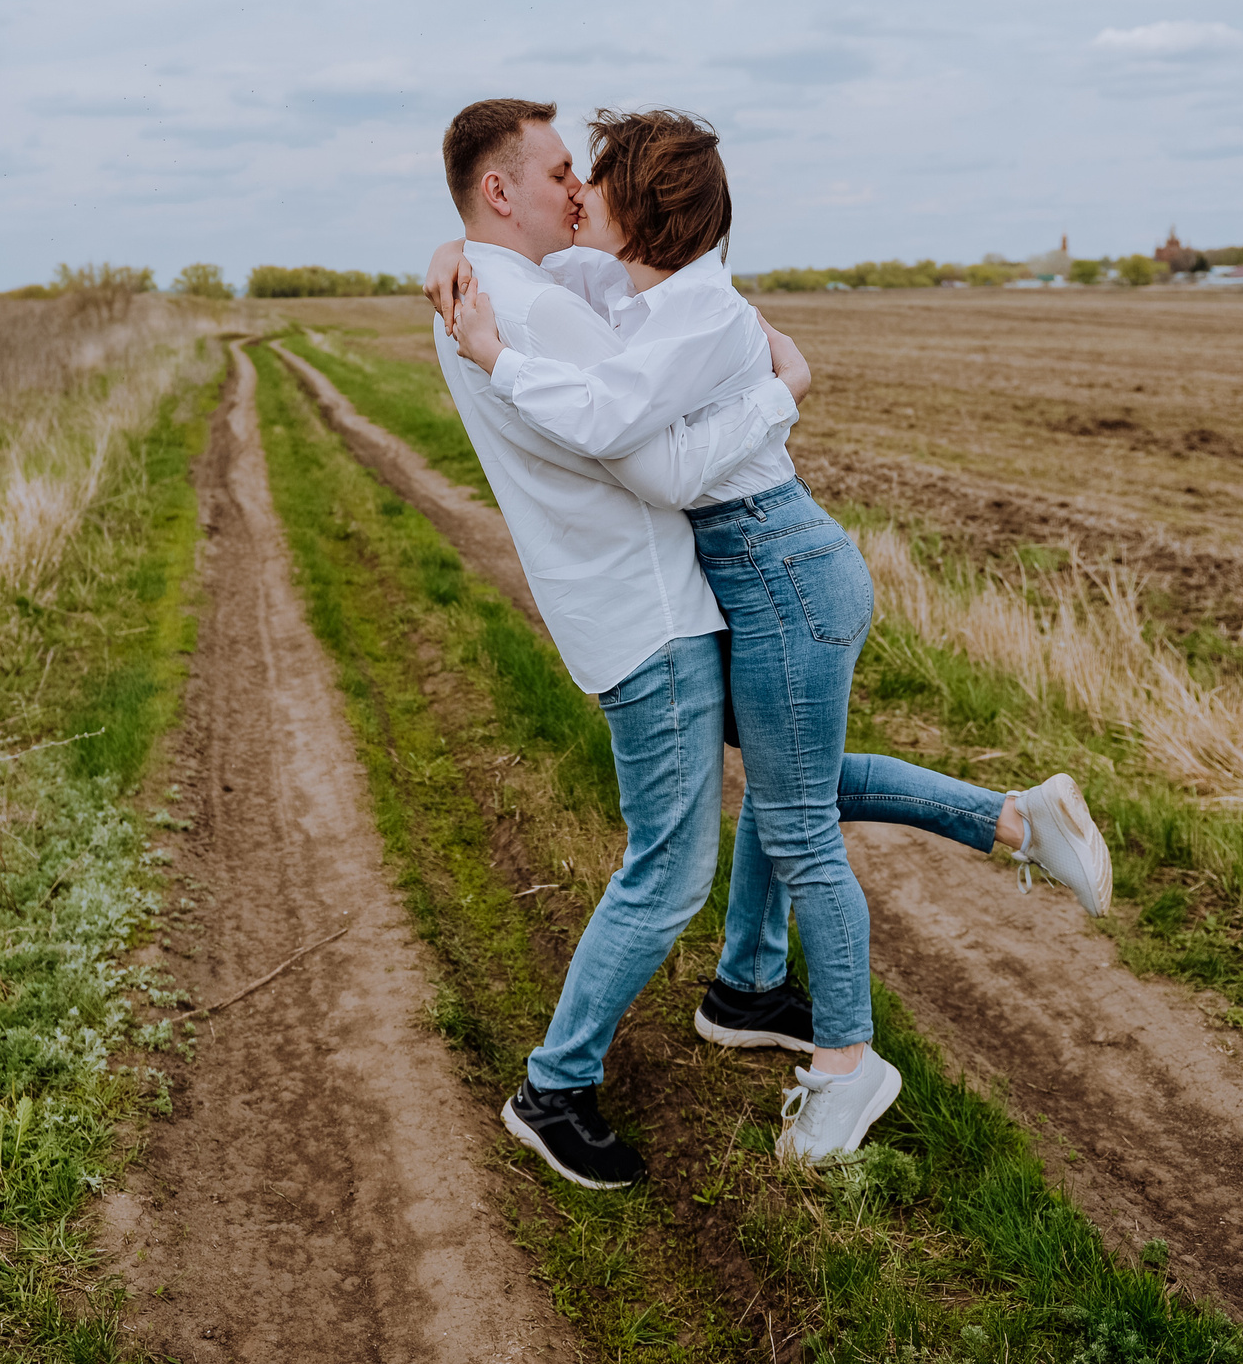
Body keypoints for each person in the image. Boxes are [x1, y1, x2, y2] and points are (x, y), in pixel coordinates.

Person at [430, 104, 1113, 1173]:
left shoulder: (602, 304)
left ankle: (834, 1060)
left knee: (780, 822)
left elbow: (645, 451)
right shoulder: (553, 290)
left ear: (638, 209)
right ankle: (1000, 830)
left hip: (770, 571)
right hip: (721, 582)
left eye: (588, 175)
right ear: (502, 192)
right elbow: (615, 392)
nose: (576, 189)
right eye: (561, 171)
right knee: (799, 786)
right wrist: (459, 246)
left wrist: (778, 390)